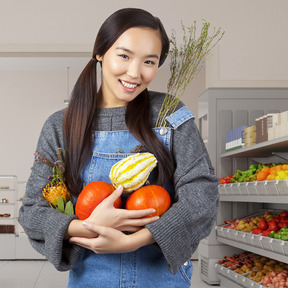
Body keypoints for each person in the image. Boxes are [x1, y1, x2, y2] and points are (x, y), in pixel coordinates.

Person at [19, 7, 219, 288]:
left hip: (161, 278)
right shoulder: (60, 125)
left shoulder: (170, 113)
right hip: (91, 279)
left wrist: (133, 241)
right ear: (100, 52)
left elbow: (202, 196)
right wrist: (88, 227)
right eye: (124, 56)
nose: (135, 72)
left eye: (149, 61)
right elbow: (31, 211)